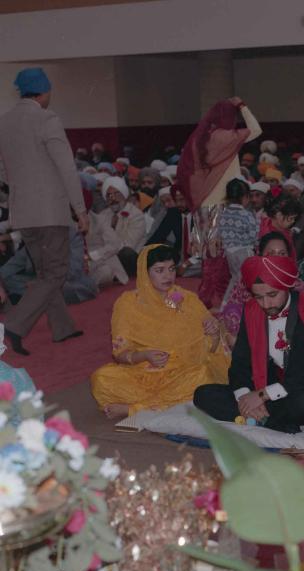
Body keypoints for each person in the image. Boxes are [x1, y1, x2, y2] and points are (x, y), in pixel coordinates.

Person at [194, 255, 304, 433]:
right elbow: (240, 363)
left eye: (272, 295)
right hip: (263, 384)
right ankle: (265, 418)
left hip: (299, 388)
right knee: (203, 395)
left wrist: (263, 395)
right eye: (259, 297)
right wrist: (244, 399)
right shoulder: (251, 310)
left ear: (286, 286)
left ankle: (262, 418)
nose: (265, 304)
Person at [0, 67, 89, 355]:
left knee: (44, 272)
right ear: (45, 91)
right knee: (54, 274)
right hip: (50, 212)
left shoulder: (5, 121)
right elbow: (66, 167)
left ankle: (62, 327)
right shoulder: (47, 119)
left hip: (23, 214)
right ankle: (13, 325)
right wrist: (80, 210)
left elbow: (3, 169)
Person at [91, 245, 229, 419]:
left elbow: (210, 347)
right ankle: (165, 405)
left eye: (171, 269)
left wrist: (214, 333)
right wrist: (145, 355)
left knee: (203, 379)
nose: (168, 276)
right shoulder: (129, 303)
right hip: (143, 373)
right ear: (144, 272)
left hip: (183, 371)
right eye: (159, 270)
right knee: (101, 379)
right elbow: (121, 353)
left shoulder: (180, 299)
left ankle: (135, 409)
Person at [178, 97, 262, 211]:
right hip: (224, 200)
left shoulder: (197, 139)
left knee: (201, 230)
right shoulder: (228, 137)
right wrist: (242, 107)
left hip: (202, 200)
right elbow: (256, 130)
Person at [91, 175, 147, 277]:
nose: (112, 198)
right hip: (108, 256)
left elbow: (129, 245)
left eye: (116, 194)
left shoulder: (136, 215)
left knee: (126, 253)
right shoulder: (102, 215)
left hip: (128, 259)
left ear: (124, 195)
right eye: (108, 195)